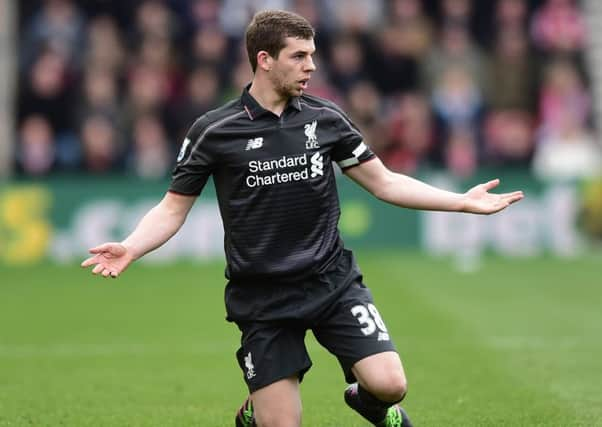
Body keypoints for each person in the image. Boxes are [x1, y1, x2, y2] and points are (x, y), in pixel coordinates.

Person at [81, 10, 524, 427]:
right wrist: (132, 246)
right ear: (265, 60)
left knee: (391, 385)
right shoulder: (215, 130)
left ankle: (364, 400)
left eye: (312, 54)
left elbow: (385, 182)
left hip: (330, 280)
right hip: (263, 297)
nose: (311, 66)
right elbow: (173, 207)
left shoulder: (326, 118)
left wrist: (461, 201)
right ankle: (257, 409)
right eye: (299, 56)